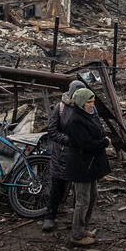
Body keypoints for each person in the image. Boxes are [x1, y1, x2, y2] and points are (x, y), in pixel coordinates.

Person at [64, 84, 110, 246]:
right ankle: (77, 234)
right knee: (82, 200)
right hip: (81, 165)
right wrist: (104, 142)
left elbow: (97, 131)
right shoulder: (75, 120)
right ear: (81, 103)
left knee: (92, 196)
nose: (92, 104)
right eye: (89, 102)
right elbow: (86, 144)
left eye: (93, 101)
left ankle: (83, 228)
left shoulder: (90, 114)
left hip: (90, 164)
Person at [41, 80, 82, 232]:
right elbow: (52, 131)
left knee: (80, 191)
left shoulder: (88, 107)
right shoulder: (61, 107)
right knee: (57, 187)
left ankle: (77, 220)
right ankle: (50, 216)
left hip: (80, 155)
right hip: (62, 155)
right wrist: (69, 140)